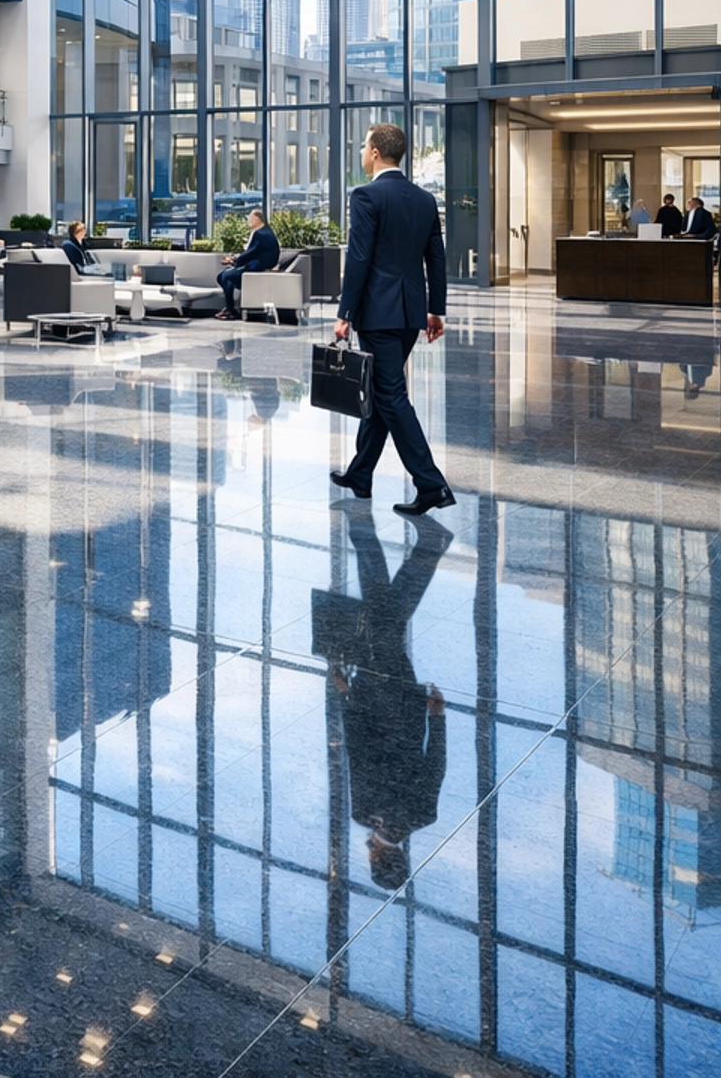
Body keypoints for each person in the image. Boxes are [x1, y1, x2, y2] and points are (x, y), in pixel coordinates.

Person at [332, 122, 455, 517]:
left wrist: (344, 312)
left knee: (390, 396)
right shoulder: (422, 199)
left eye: (365, 146)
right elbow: (436, 257)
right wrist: (436, 309)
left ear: (375, 153)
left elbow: (359, 257)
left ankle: (431, 484)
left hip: (378, 314)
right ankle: (360, 473)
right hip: (409, 315)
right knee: (382, 390)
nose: (362, 152)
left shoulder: (366, 195)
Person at [329, 510, 451, 891]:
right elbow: (359, 752)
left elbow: (436, 764)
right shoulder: (365, 814)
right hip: (373, 701)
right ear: (379, 858)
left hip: (404, 704)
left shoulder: (422, 816)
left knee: (382, 612)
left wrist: (436, 717)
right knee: (383, 617)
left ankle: (376, 527)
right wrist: (346, 698)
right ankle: (422, 540)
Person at [216, 207, 280, 319]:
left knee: (225, 276)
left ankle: (230, 310)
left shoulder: (261, 234)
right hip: (253, 266)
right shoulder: (263, 231)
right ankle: (229, 309)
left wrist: (234, 260)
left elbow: (251, 253)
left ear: (257, 219)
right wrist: (236, 259)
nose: (248, 221)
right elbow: (252, 253)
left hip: (257, 269)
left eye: (250, 218)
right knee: (222, 276)